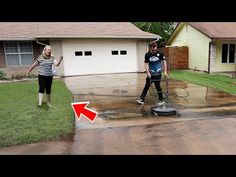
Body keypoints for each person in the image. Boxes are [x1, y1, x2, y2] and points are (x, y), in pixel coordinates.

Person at [137, 41, 167, 105]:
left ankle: (161, 100)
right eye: (153, 50)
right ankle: (142, 99)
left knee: (158, 87)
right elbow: (146, 64)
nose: (154, 51)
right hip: (151, 74)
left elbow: (164, 62)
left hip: (158, 74)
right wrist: (148, 72)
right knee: (146, 86)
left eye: (155, 49)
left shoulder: (160, 53)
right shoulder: (147, 54)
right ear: (150, 48)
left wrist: (165, 71)